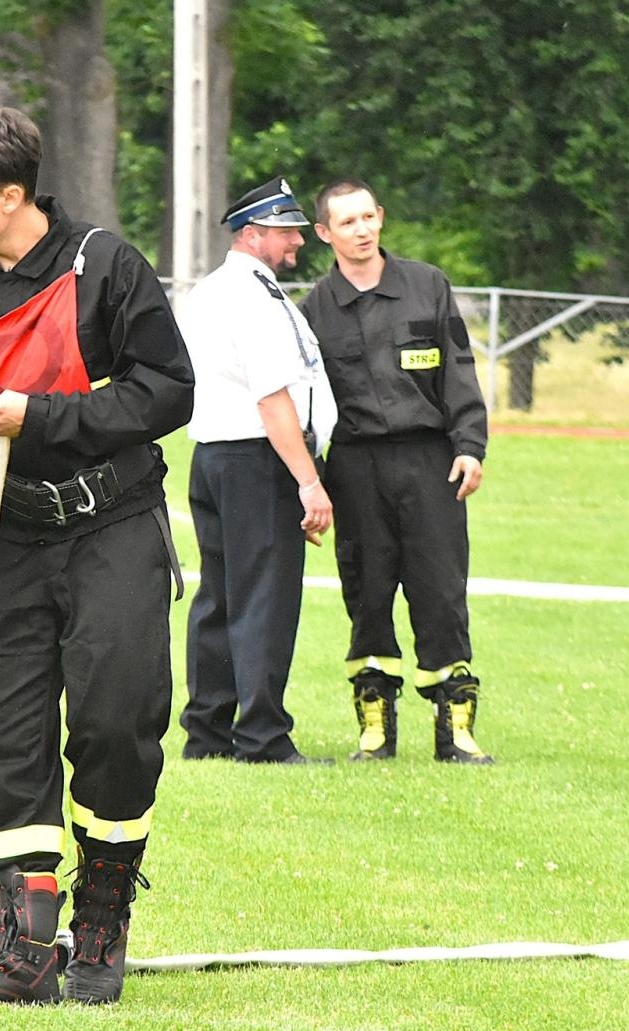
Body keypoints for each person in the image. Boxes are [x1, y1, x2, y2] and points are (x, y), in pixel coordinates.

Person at [0, 106, 193, 1006]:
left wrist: (40, 417)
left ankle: (101, 920)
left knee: (116, 721)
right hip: (2, 542)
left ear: (12, 196)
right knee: (4, 738)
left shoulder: (107, 267)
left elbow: (168, 391)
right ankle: (22, 951)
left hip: (112, 528)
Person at [296, 179, 494, 765]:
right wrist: (308, 481)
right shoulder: (313, 311)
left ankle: (455, 731)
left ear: (380, 217)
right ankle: (375, 729)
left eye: (368, 218)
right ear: (324, 234)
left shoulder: (427, 286)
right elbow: (304, 406)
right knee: (368, 591)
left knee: (440, 590)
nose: (361, 231)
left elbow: (459, 370)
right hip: (355, 468)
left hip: (430, 462)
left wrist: (470, 445)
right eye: (347, 223)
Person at [176, 177, 337, 765]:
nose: (297, 241)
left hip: (217, 456)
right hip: (257, 457)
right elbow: (273, 397)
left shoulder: (217, 290)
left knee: (219, 597)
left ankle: (209, 733)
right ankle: (264, 737)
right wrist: (309, 480)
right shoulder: (252, 298)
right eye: (287, 231)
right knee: (264, 599)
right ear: (253, 233)